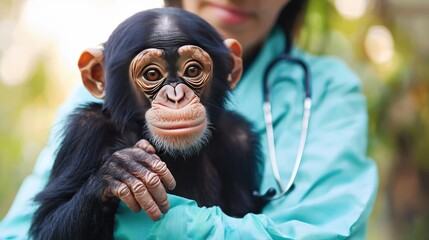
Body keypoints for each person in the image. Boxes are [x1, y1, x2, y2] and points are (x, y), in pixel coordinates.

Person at [0, 0, 378, 239]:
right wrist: (98, 190)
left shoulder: (238, 138)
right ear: (98, 79)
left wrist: (142, 225)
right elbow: (34, 232)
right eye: (151, 75)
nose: (176, 94)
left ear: (230, 69)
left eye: (193, 70)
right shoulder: (92, 122)